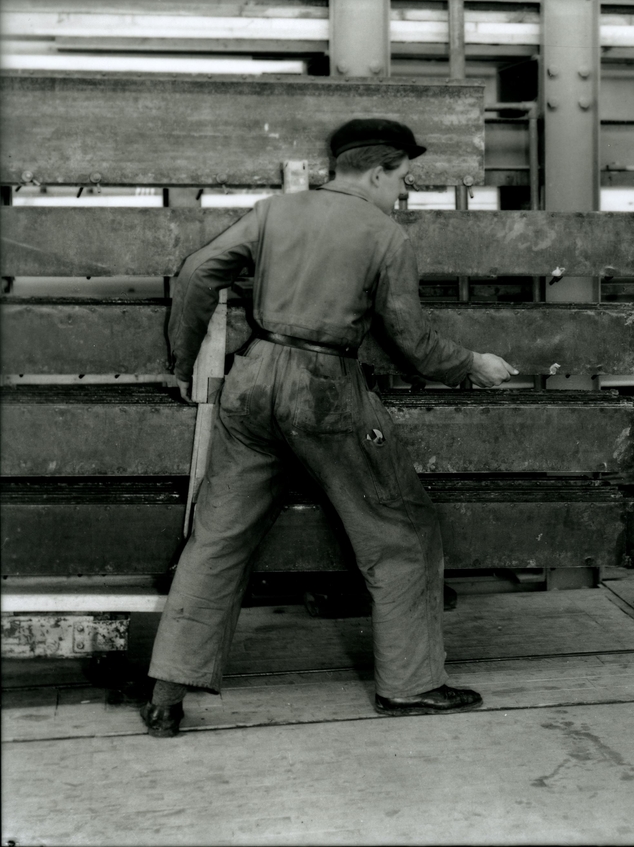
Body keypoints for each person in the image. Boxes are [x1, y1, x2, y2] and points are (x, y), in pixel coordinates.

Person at [140, 119, 518, 738]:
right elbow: (411, 341)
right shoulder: (385, 236)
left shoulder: (273, 213)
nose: (403, 192)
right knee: (402, 531)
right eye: (403, 179)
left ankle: (167, 693)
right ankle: (411, 686)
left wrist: (183, 364)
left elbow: (197, 273)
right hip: (324, 393)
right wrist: (471, 366)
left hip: (252, 380)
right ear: (377, 172)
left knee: (218, 538)